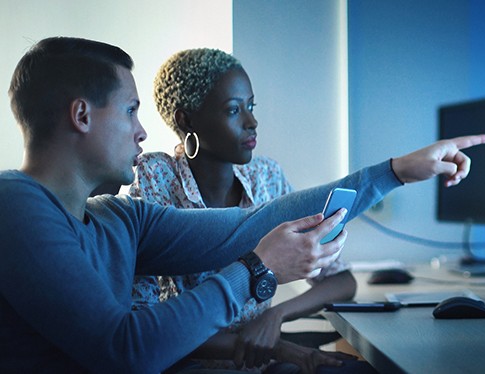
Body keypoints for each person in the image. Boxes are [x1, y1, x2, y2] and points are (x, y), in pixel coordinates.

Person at [0, 36, 485, 373]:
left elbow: (252, 224)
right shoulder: (15, 207)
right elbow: (128, 351)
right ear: (81, 115)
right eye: (130, 111)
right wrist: (259, 269)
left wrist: (397, 171)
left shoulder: (118, 217)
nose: (142, 130)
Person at [128, 48, 359, 372]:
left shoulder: (265, 176)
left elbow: (342, 281)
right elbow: (145, 324)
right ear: (186, 119)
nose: (252, 122)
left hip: (262, 357)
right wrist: (282, 348)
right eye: (234, 110)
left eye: (251, 106)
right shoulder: (156, 176)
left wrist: (273, 316)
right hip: (188, 363)